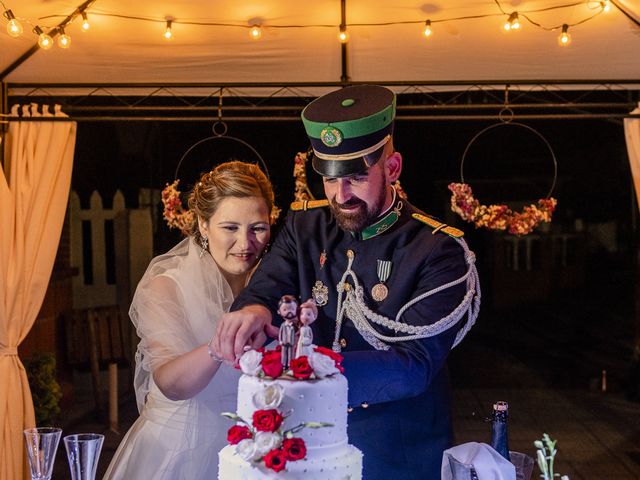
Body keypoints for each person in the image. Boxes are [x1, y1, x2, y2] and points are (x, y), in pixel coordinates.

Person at [212, 85, 480, 479]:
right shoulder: (304, 227)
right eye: (330, 180)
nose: (341, 195)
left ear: (392, 167)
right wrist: (252, 310)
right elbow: (268, 286)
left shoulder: (438, 249)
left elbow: (414, 366)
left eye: (356, 177)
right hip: (309, 449)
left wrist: (310, 370)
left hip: (397, 455)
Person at [103, 161, 275, 480]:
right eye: (230, 227)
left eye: (257, 228)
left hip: (257, 453)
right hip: (177, 453)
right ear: (203, 224)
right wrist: (217, 347)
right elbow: (170, 383)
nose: (245, 243)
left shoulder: (277, 285)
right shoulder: (167, 285)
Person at [277, 295, 299, 369]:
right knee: (284, 353)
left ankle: (290, 364)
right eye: (285, 309)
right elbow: (280, 333)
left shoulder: (294, 325)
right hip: (284, 342)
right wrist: (280, 340)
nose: (289, 312)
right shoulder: (283, 325)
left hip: (292, 342)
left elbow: (297, 333)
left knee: (291, 354)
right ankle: (283, 364)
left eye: (292, 309)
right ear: (279, 312)